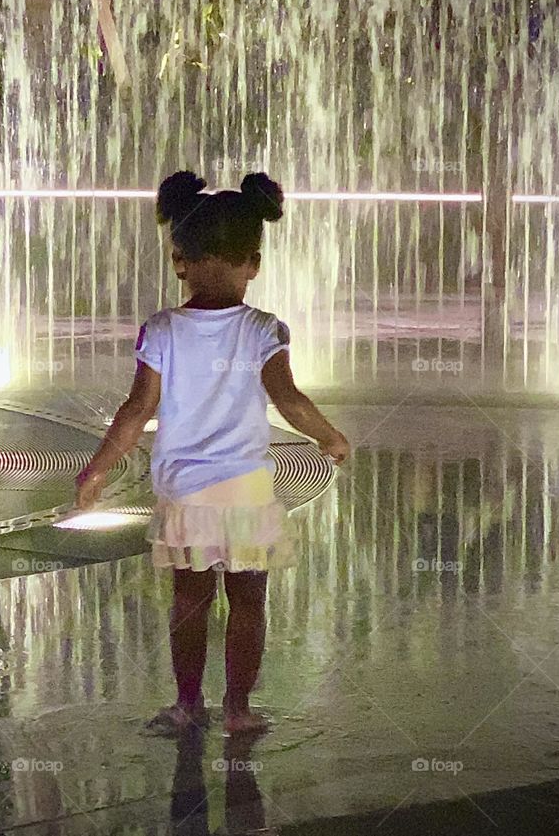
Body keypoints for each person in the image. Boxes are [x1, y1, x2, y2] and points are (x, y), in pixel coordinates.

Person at [75, 170, 349, 736]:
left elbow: (136, 410)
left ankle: (187, 703)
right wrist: (330, 437)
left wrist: (98, 468)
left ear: (179, 261)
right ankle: (239, 708)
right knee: (248, 601)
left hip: (186, 492)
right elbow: (289, 400)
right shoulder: (264, 329)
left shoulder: (162, 330)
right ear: (254, 263)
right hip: (246, 489)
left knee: (190, 602)